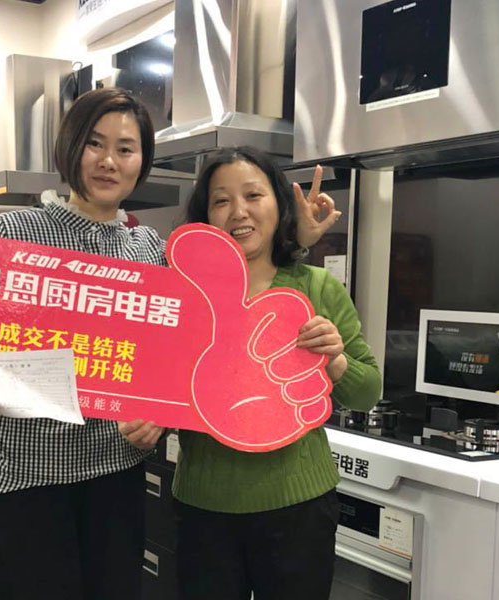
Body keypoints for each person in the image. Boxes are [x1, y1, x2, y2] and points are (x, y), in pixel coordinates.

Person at [0, 89, 340, 600]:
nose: (109, 161)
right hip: (26, 479)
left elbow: (215, 321)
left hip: (115, 478)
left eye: (125, 149)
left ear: (141, 161)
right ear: (70, 147)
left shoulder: (151, 251)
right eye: (95, 144)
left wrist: (292, 239)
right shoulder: (13, 233)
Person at [173, 146, 382, 600]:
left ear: (278, 203)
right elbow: (167, 391)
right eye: (221, 200)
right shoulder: (185, 295)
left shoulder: (317, 286)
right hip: (204, 508)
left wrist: (336, 360)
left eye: (253, 195)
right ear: (205, 217)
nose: (239, 212)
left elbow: (367, 393)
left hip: (298, 508)